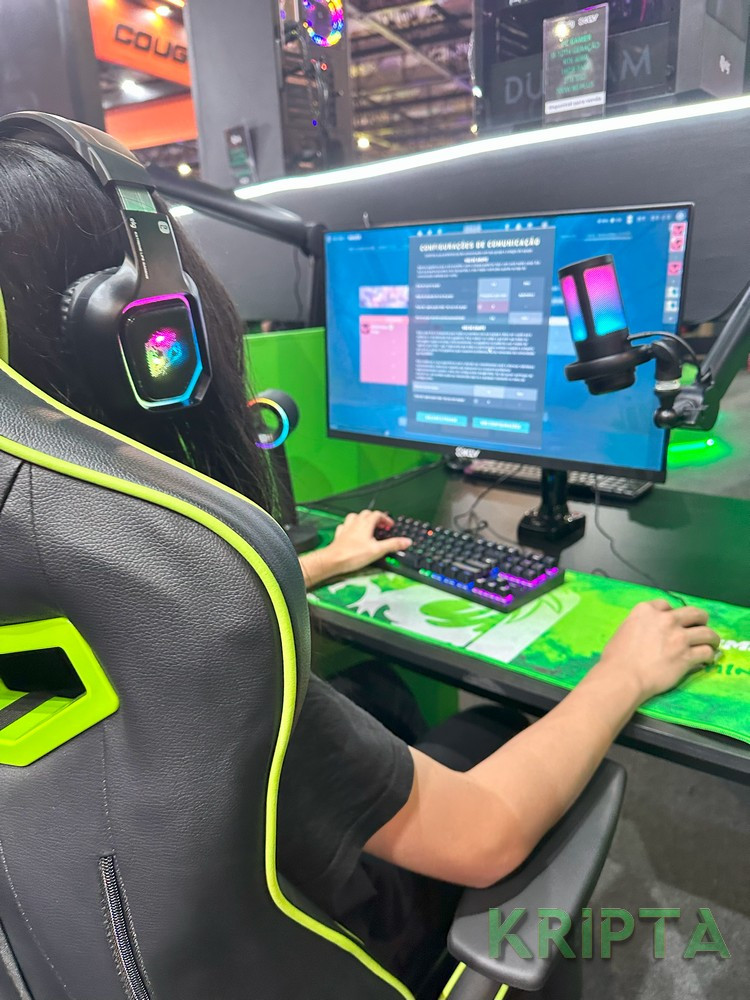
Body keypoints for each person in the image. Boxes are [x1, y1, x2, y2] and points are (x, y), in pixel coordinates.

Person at [0, 132, 720, 993]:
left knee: (380, 694)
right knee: (493, 727)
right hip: (346, 948)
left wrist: (305, 570)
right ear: (157, 342)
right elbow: (485, 832)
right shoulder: (199, 690)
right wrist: (624, 671)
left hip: (102, 934)